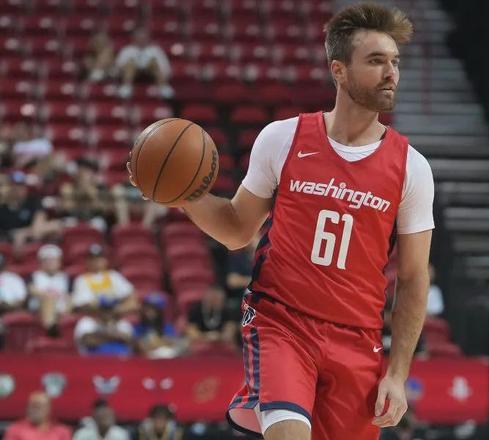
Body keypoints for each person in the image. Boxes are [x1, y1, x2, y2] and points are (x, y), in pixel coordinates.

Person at [127, 3, 433, 439]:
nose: (391, 73)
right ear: (339, 70)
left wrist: (398, 374)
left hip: (357, 338)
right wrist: (183, 196)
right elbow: (237, 229)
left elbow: (414, 278)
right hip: (282, 323)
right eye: (376, 61)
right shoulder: (283, 138)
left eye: (395, 62)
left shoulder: (412, 168)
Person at [71, 244, 137, 314]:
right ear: (87, 261)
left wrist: (117, 309)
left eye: (99, 258)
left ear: (105, 260)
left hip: (116, 314)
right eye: (92, 259)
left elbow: (131, 298)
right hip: (93, 316)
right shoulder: (81, 280)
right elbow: (80, 305)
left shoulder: (114, 275)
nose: (96, 262)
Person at [115, 27, 173, 99]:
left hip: (151, 74)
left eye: (143, 37)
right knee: (130, 63)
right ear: (134, 38)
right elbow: (118, 67)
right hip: (132, 74)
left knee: (154, 61)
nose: (141, 39)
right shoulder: (127, 50)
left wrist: (163, 75)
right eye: (139, 37)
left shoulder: (156, 50)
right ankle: (126, 86)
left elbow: (165, 67)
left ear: (148, 38)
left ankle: (163, 87)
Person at [28, 244, 70, 331]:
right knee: (49, 300)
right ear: (40, 262)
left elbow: (69, 295)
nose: (50, 263)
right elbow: (31, 289)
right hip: (39, 308)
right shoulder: (35, 276)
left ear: (59, 261)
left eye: (53, 260)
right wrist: (46, 295)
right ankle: (50, 329)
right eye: (46, 260)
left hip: (61, 308)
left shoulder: (65, 277)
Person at [133, 292, 184, 359]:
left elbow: (172, 342)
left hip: (165, 358)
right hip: (146, 359)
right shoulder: (138, 327)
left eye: (154, 309)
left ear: (160, 311)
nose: (150, 312)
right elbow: (140, 346)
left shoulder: (167, 327)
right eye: (147, 308)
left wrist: (159, 342)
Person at [4, 391, 72, 440]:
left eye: (39, 406)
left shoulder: (62, 432)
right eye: (32, 406)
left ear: (49, 408)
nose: (35, 410)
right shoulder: (15, 430)